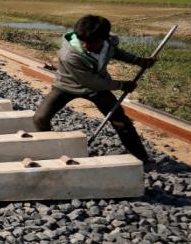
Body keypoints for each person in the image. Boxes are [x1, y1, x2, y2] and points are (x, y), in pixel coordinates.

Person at [33, 15, 157, 170]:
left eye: (91, 42)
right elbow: (90, 82)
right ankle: (50, 150)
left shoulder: (109, 42)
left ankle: (141, 159)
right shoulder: (70, 55)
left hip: (96, 88)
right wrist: (121, 85)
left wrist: (137, 60)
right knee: (40, 117)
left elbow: (113, 52)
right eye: (82, 41)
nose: (85, 45)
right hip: (67, 86)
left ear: (103, 39)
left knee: (121, 122)